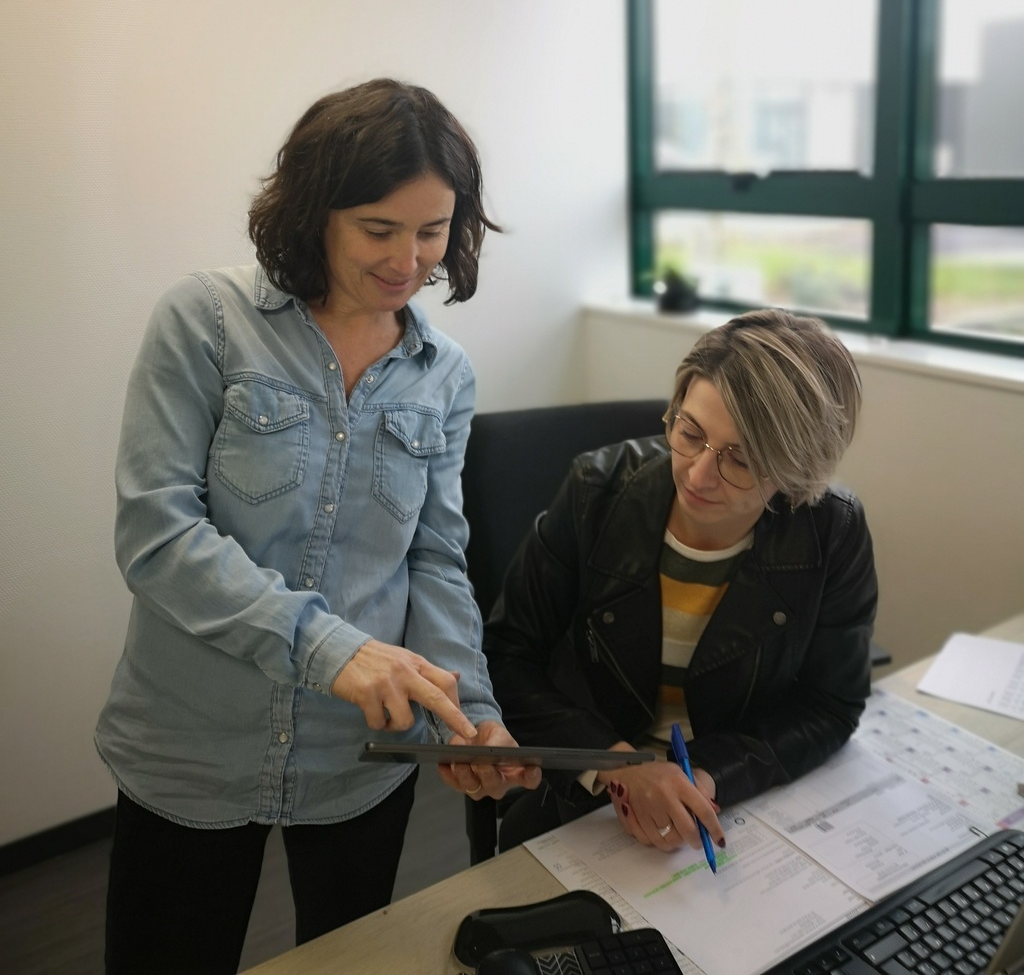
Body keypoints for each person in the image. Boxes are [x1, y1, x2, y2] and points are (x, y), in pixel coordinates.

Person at [94, 78, 538, 974]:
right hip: (194, 743)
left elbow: (435, 558)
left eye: (433, 230)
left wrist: (470, 713)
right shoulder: (207, 321)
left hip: (358, 759)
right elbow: (156, 533)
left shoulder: (443, 373)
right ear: (312, 212)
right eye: (379, 229)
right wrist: (328, 647)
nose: (409, 259)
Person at [483, 309, 877, 856]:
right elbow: (506, 654)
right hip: (587, 790)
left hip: (730, 798)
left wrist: (713, 774)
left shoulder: (833, 528)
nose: (697, 474)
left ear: (795, 471)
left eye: (739, 460)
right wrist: (620, 766)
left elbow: (832, 703)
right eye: (690, 432)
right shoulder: (595, 490)